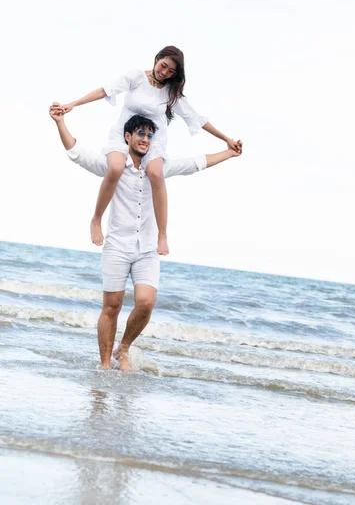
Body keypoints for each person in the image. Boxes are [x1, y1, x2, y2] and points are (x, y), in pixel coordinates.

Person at [49, 106, 242, 371]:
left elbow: (196, 163)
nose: (145, 140)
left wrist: (229, 153)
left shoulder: (157, 170)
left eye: (150, 136)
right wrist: (60, 122)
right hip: (117, 245)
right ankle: (105, 364)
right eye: (140, 134)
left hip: (147, 249)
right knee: (112, 306)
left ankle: (124, 348)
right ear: (127, 137)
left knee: (146, 302)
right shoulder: (113, 166)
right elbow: (78, 153)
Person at [51, 46, 242, 256]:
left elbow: (196, 119)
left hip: (152, 139)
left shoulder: (171, 93)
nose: (165, 73)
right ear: (157, 59)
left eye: (171, 72)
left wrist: (226, 139)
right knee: (114, 168)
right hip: (124, 134)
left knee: (156, 173)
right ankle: (96, 219)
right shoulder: (136, 77)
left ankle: (161, 234)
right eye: (164, 66)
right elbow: (105, 90)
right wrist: (73, 104)